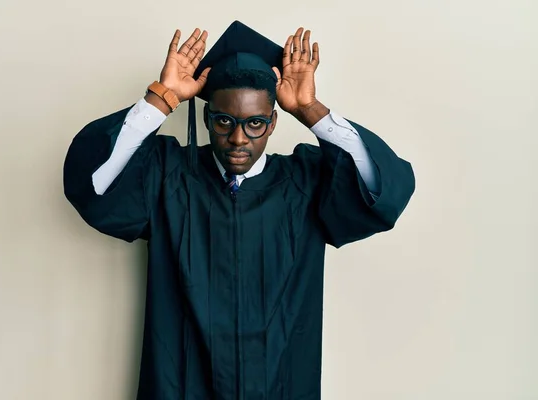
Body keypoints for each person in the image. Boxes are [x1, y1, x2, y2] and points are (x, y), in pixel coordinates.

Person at [63, 20, 415, 400]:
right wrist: (162, 98)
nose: (238, 138)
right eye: (225, 121)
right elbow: (93, 184)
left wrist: (310, 109)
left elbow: (384, 193)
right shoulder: (168, 174)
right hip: (180, 386)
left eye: (255, 124)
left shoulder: (306, 181)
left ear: (273, 122)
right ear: (206, 118)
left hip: (280, 386)